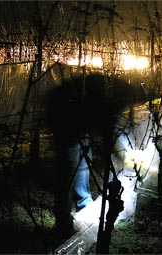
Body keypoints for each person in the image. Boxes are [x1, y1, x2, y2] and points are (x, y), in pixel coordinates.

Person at [46, 73, 147, 237]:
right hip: (63, 113)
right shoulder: (115, 96)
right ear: (133, 98)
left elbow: (111, 130)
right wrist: (124, 157)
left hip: (78, 116)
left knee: (83, 159)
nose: (133, 110)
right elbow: (111, 134)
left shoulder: (117, 89)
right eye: (136, 105)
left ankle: (84, 205)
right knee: (68, 167)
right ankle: (63, 222)